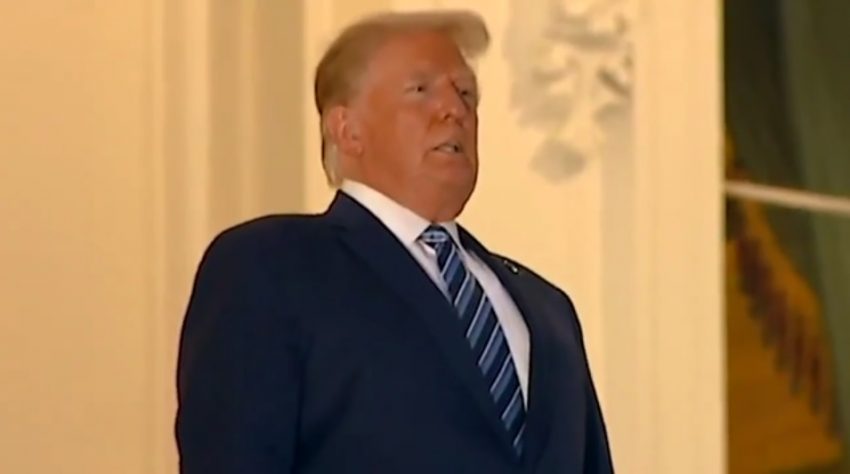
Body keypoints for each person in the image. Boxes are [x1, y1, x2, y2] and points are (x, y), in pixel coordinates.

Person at [175, 9, 613, 474]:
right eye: (421, 90)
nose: (455, 110)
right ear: (347, 130)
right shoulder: (271, 266)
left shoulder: (547, 308)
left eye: (466, 93)